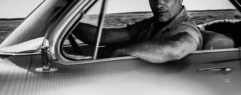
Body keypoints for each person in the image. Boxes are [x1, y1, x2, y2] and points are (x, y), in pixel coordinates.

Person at [73, 0, 202, 63]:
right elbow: (107, 36)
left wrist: (122, 51)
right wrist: (72, 25)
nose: (158, 4)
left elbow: (176, 49)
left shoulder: (185, 27)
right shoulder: (150, 24)